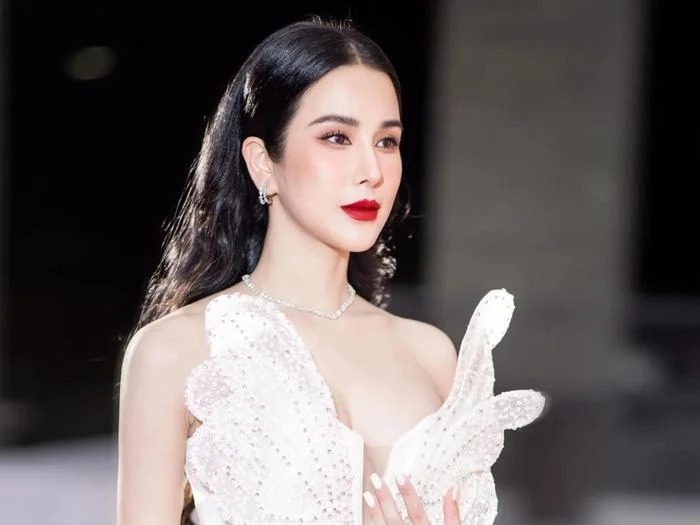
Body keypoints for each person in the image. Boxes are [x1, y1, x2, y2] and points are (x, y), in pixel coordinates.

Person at [116, 16, 545, 525]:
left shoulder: (430, 354)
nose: (372, 171)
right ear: (262, 162)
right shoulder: (176, 349)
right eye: (337, 137)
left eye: (387, 142)